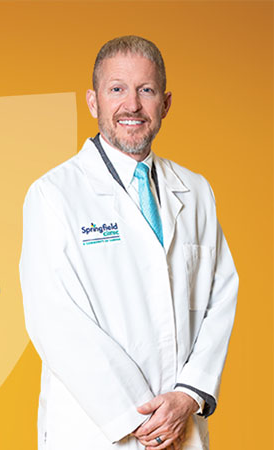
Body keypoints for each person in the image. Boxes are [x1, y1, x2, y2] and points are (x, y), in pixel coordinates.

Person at [20, 36, 238, 450]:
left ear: (166, 103)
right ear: (93, 101)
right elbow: (55, 320)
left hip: (182, 421)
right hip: (98, 430)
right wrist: (144, 417)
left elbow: (221, 298)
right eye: (117, 89)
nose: (132, 106)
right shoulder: (54, 194)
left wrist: (187, 395)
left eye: (147, 90)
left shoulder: (195, 191)